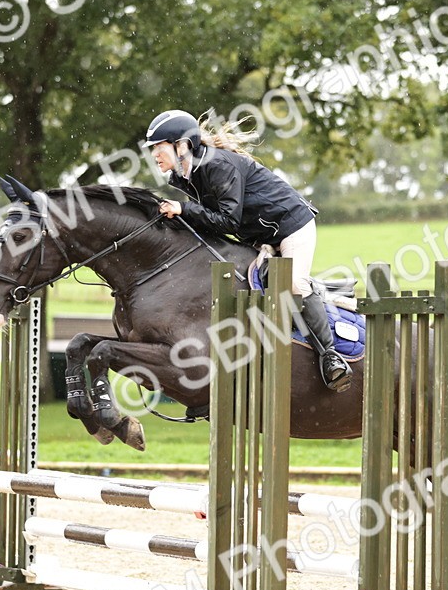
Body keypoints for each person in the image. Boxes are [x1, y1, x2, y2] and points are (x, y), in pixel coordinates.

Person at [144, 109, 351, 392]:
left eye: (159, 147)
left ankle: (331, 357)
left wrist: (184, 208)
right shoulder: (183, 175)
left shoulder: (218, 166)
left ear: (182, 145)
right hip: (259, 236)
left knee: (294, 283)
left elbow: (228, 220)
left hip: (290, 226)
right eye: (153, 149)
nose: (155, 154)